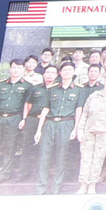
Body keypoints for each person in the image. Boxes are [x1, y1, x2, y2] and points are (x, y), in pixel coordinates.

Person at [36, 64, 83, 195]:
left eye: (70, 70)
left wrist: (76, 128)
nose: (67, 72)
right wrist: (39, 130)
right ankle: (41, 187)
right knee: (44, 156)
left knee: (61, 156)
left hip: (67, 124)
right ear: (60, 73)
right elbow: (45, 109)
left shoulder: (79, 90)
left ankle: (56, 187)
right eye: (64, 70)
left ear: (74, 72)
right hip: (50, 124)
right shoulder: (52, 90)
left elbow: (79, 110)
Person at [0, 60, 31, 186]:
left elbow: (27, 105)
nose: (16, 70)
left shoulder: (28, 86)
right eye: (14, 67)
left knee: (10, 147)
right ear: (10, 69)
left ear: (23, 70)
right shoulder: (0, 85)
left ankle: (5, 174)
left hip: (14, 118)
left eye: (19, 68)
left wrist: (24, 119)